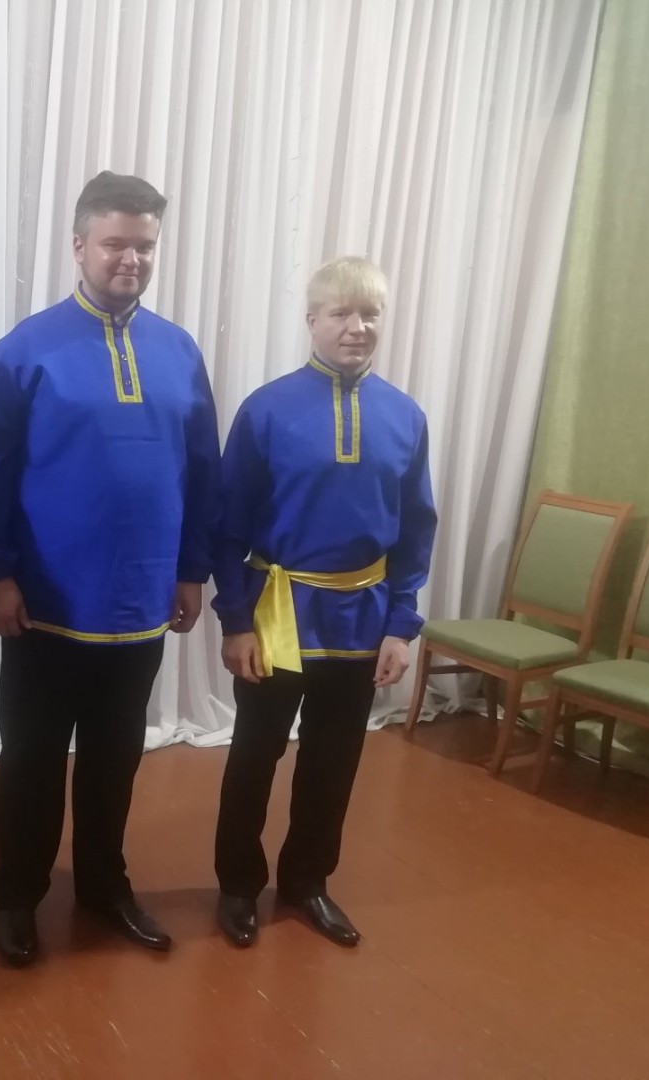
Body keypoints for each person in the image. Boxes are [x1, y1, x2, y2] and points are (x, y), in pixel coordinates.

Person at [0, 171, 220, 966]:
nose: (130, 259)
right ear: (79, 246)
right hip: (45, 602)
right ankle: (17, 897)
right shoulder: (22, 353)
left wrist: (192, 568)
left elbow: (202, 470)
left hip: (143, 598)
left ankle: (105, 885)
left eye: (144, 245)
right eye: (115, 244)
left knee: (116, 760)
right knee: (33, 763)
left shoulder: (179, 352)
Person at [211, 256, 436, 949]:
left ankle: (307, 881)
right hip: (278, 615)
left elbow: (416, 528)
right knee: (255, 757)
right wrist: (237, 621)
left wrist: (401, 625)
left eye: (369, 313)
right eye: (341, 312)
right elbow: (228, 524)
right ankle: (238, 885)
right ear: (312, 320)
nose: (356, 327)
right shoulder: (267, 410)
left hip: (362, 619)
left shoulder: (405, 417)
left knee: (333, 762)